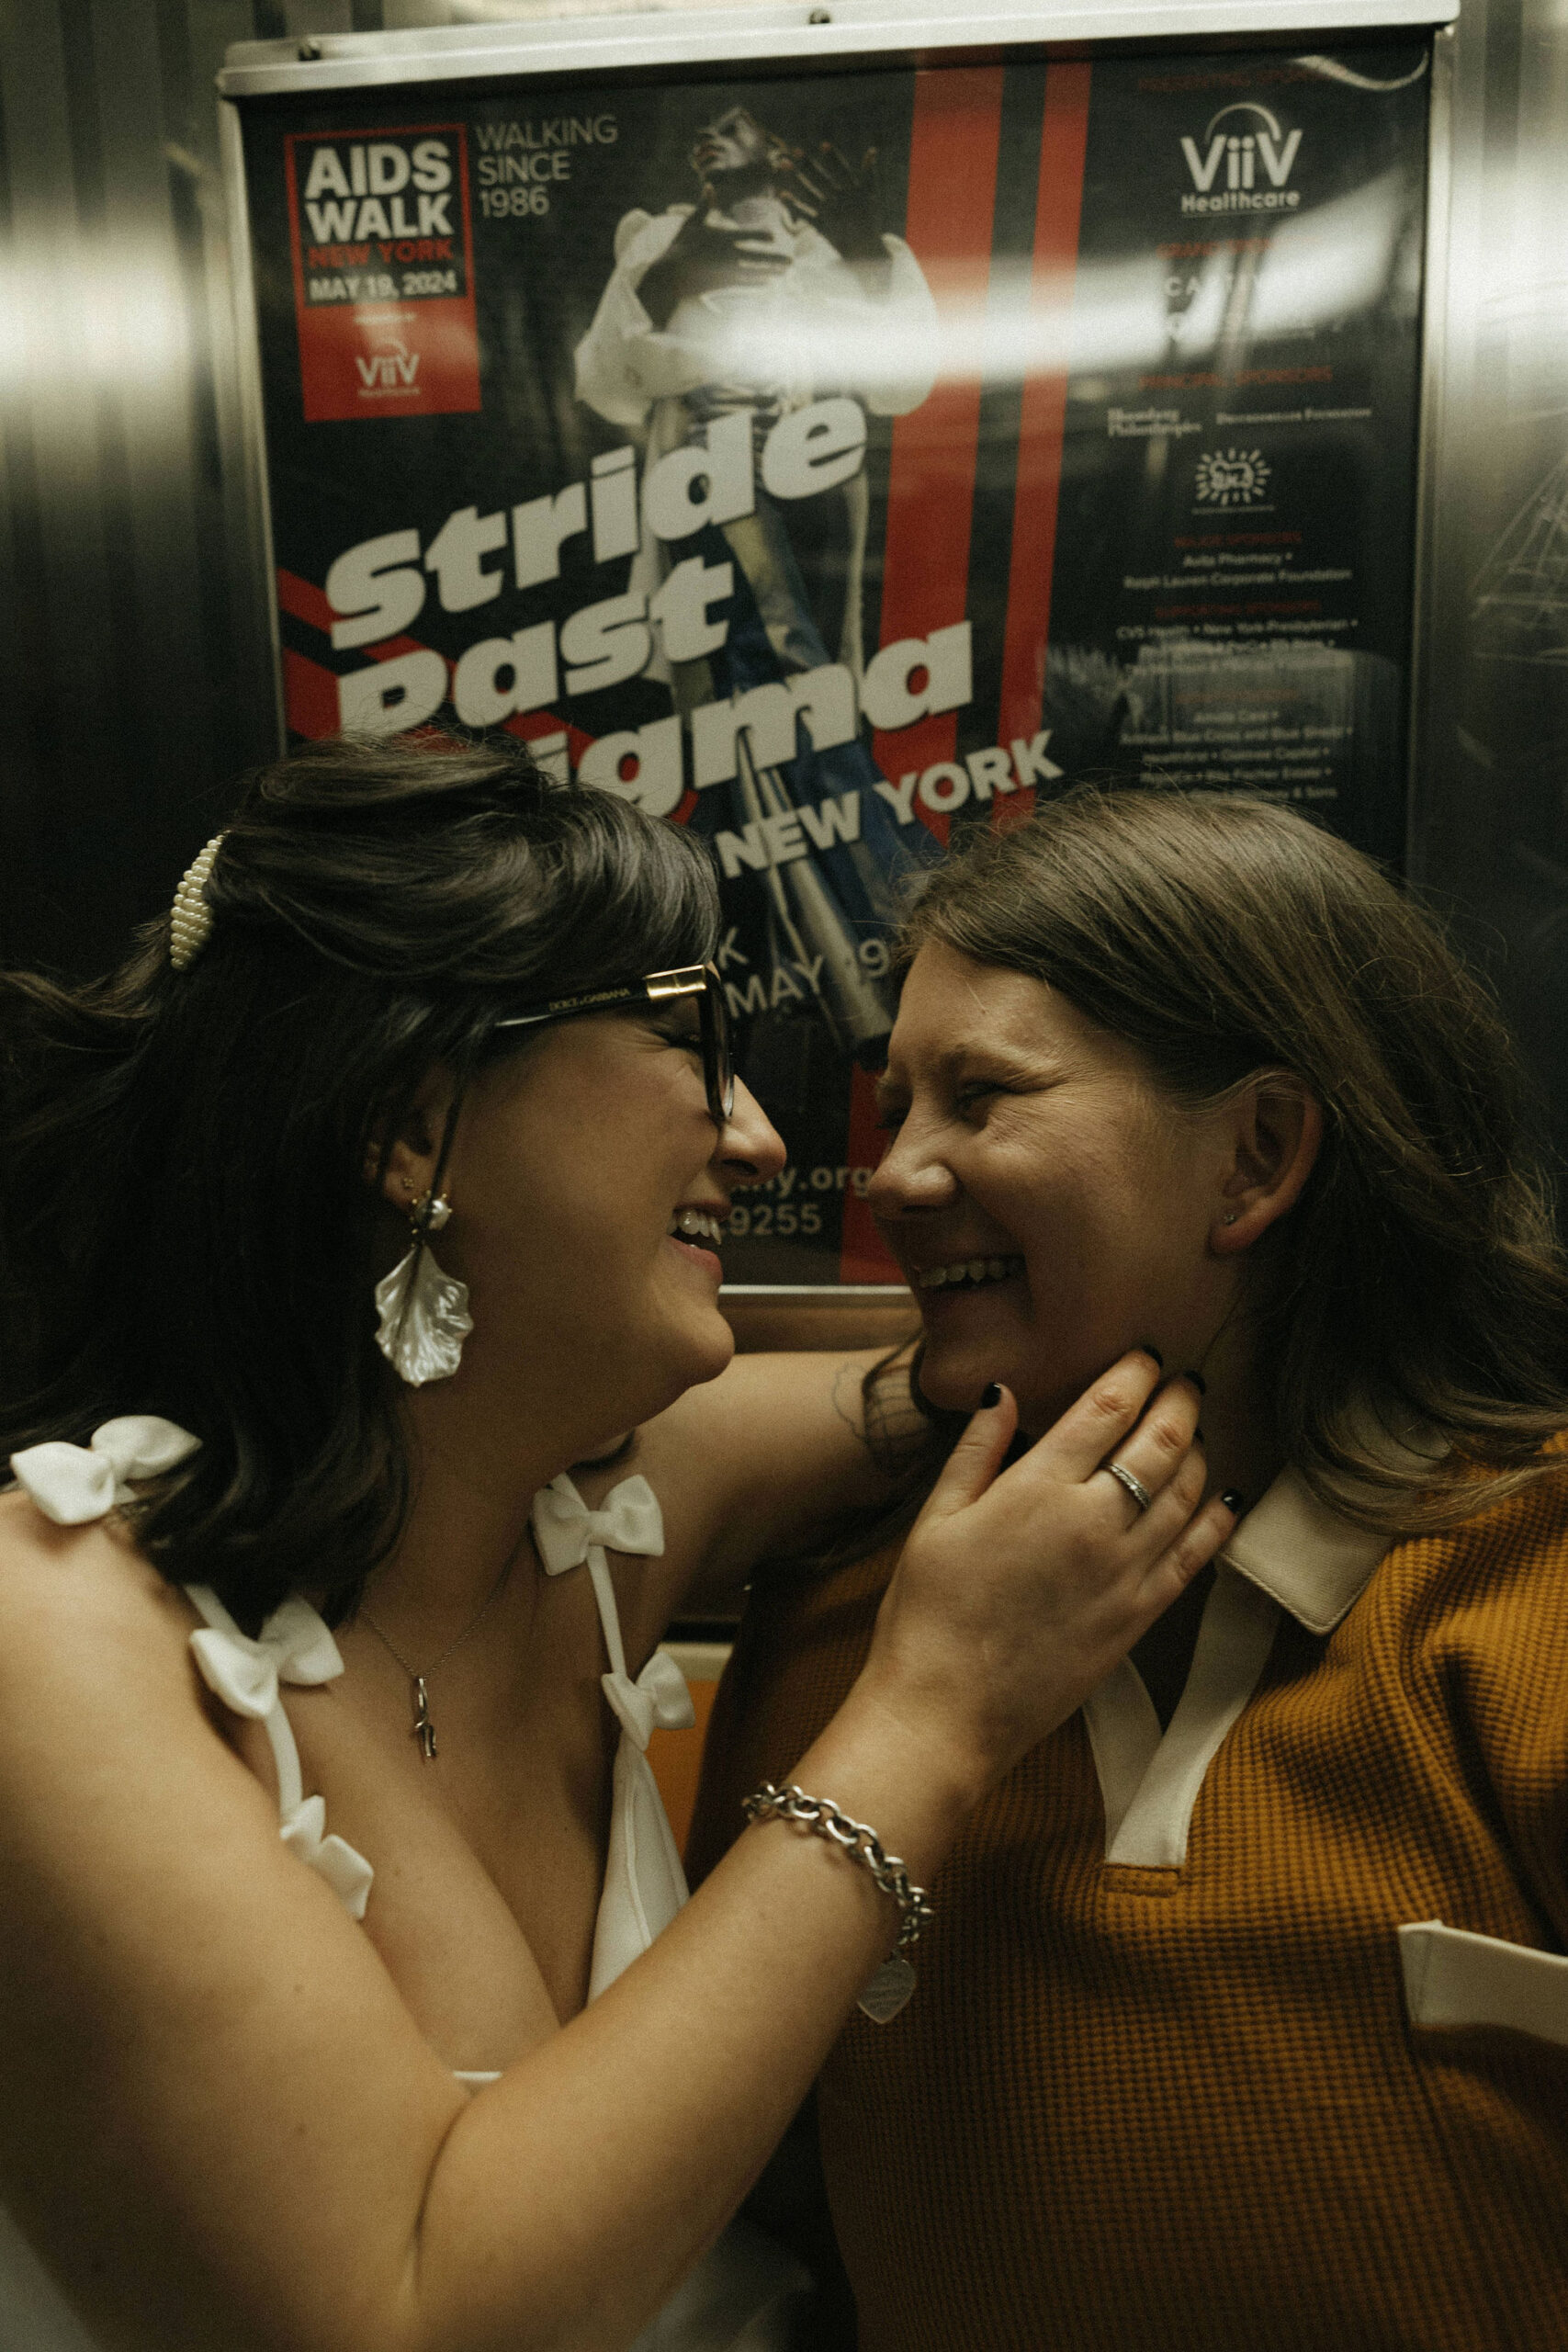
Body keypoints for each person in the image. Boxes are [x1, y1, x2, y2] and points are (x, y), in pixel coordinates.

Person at [0, 736, 1231, 2352]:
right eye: (691, 1044)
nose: (758, 1140)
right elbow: (406, 2312)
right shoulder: (58, 1632)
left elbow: (986, 1377)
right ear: (412, 1121)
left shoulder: (583, 1529)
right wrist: (926, 1719)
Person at [689, 786, 1568, 2352]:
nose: (892, 1176)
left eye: (980, 1095)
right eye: (897, 1107)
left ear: (1257, 1156)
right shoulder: (840, 1623)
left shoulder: (1527, 1591)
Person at [574, 104, 941, 1060]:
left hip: (807, 512)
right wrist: (706, 325)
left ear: (780, 146)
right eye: (707, 123)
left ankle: (889, 960)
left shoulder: (832, 246)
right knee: (725, 728)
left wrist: (854, 269)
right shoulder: (656, 239)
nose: (711, 135)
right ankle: (792, 981)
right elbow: (608, 381)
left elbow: (903, 379)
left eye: (734, 124)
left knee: (800, 705)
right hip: (696, 501)